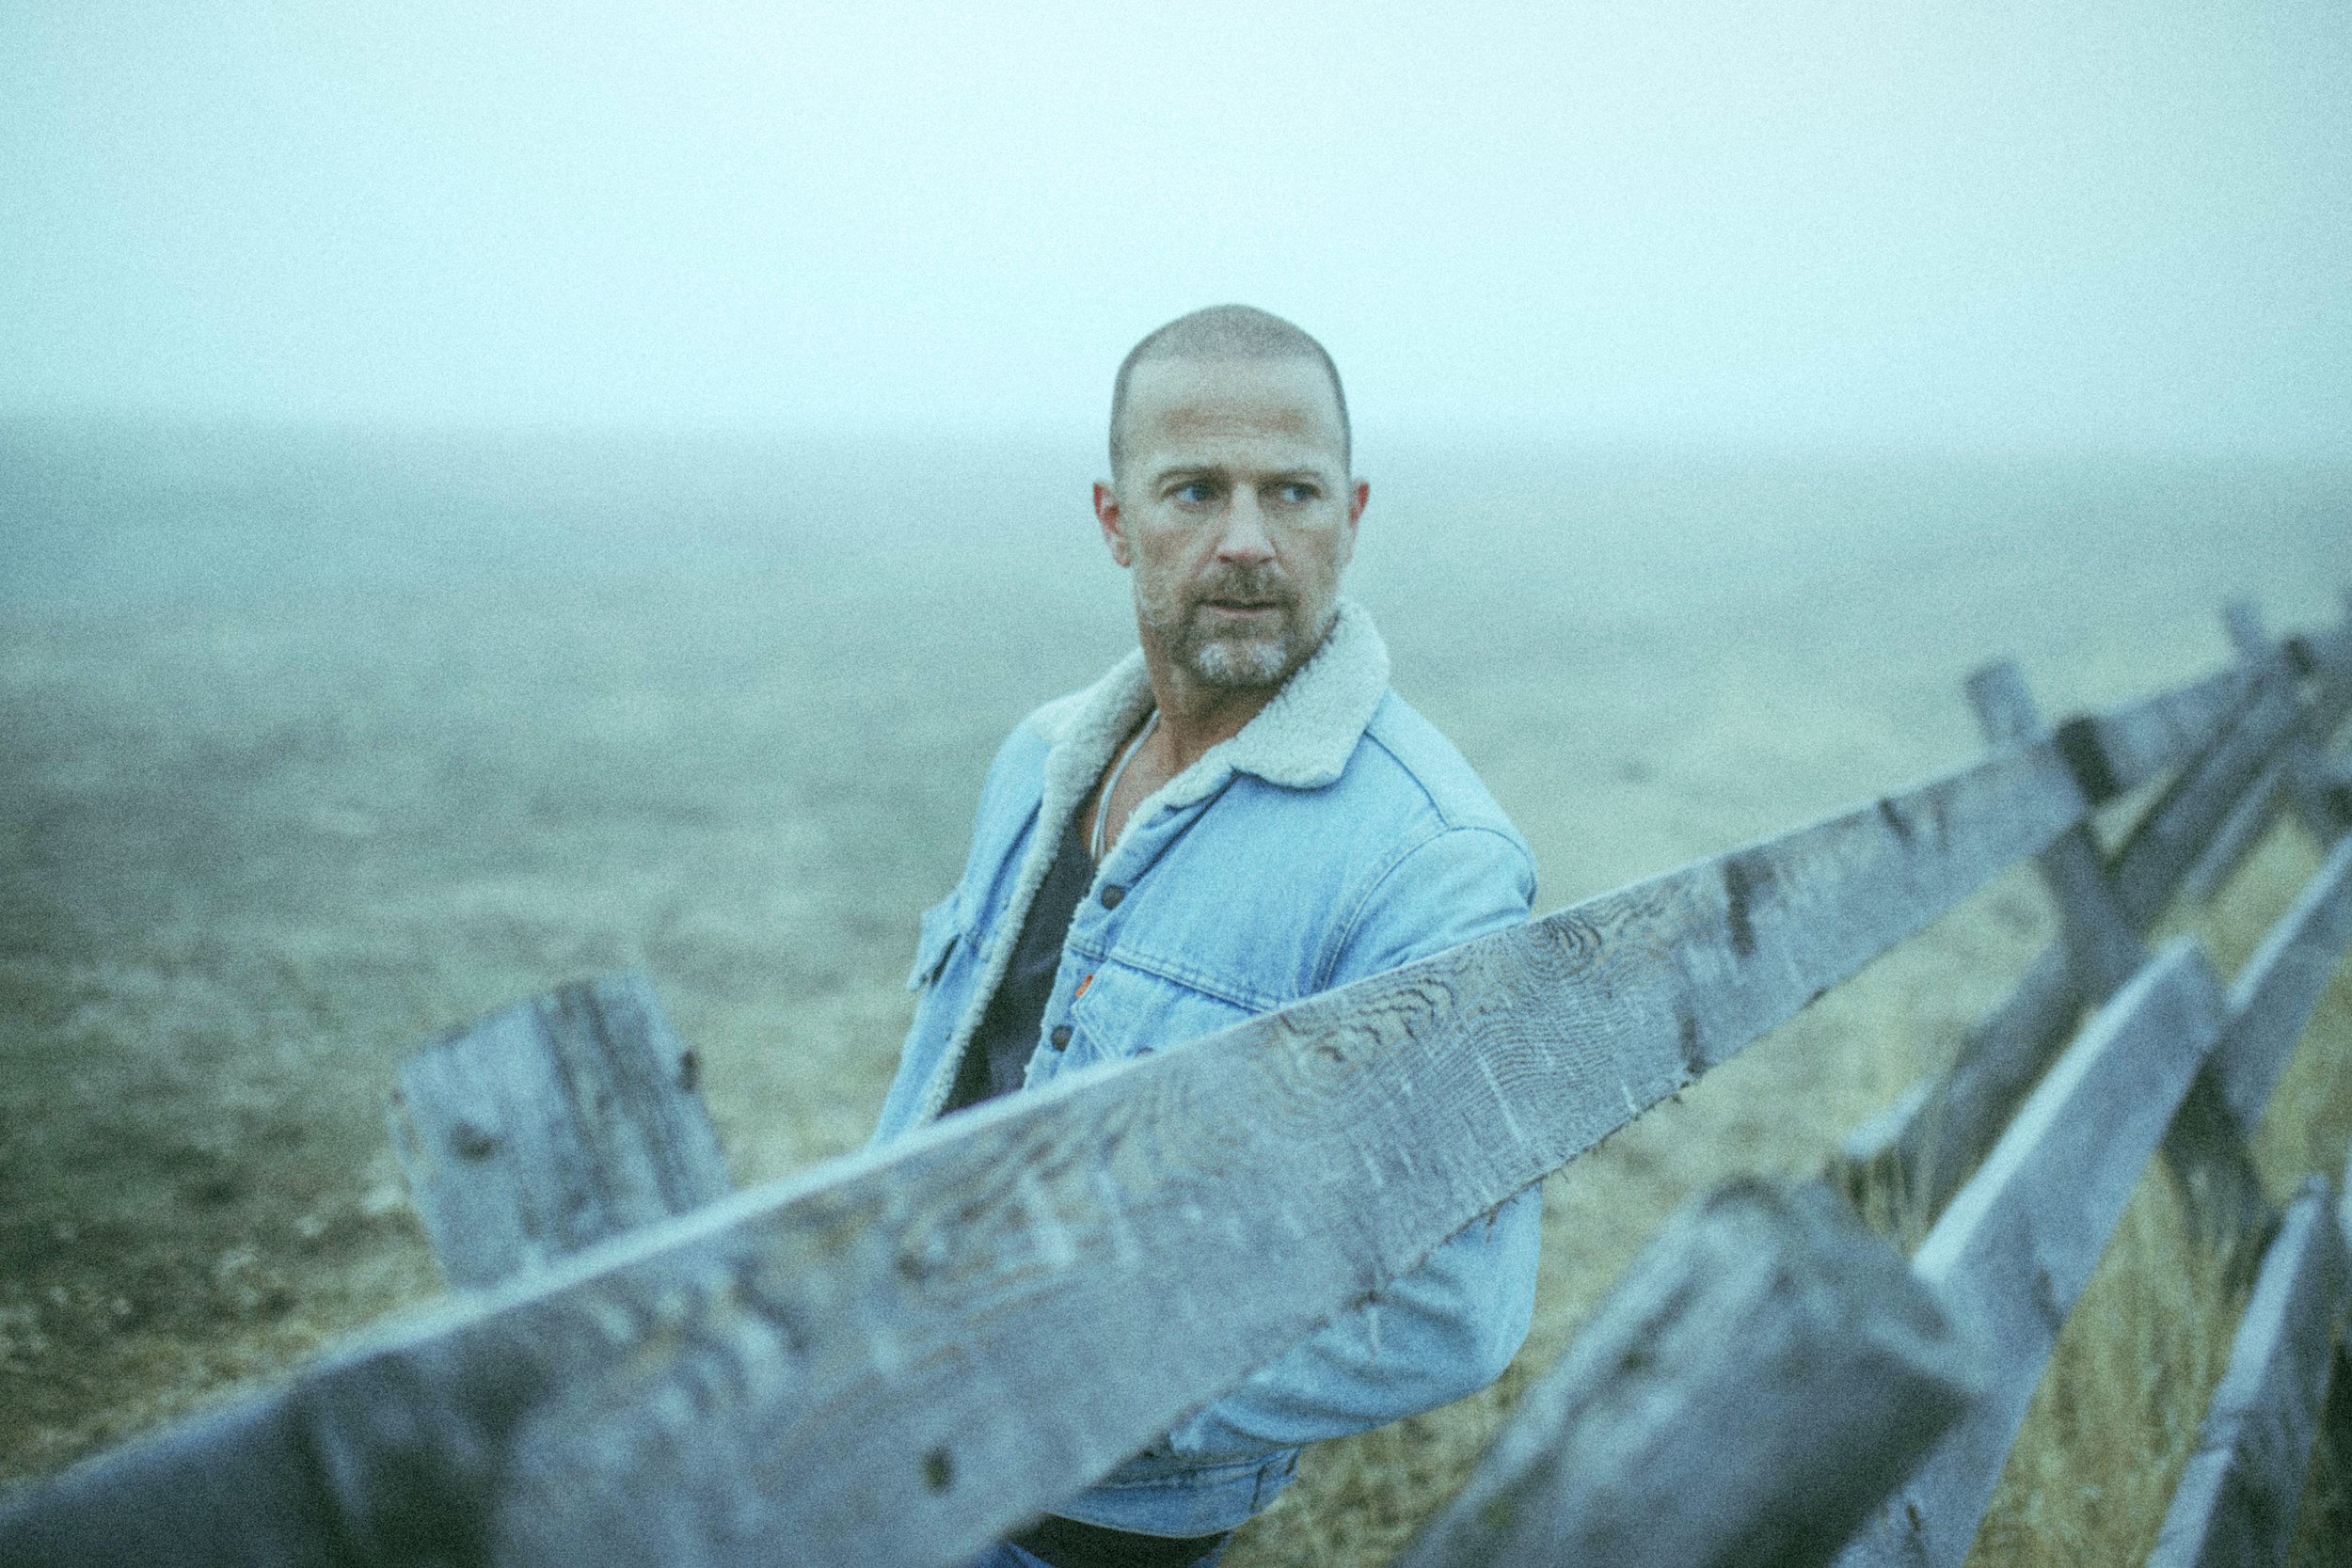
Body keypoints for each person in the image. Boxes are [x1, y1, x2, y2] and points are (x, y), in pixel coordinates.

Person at [868, 305, 1543, 1568]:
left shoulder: (1428, 859)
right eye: (1194, 491)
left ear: (1351, 516)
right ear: (1115, 521)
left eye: (1293, 492)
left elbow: (1454, 1313)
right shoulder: (1040, 760)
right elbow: (947, 1085)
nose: (1247, 540)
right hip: (861, 1450)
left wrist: (1052, 1398)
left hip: (1076, 1529)